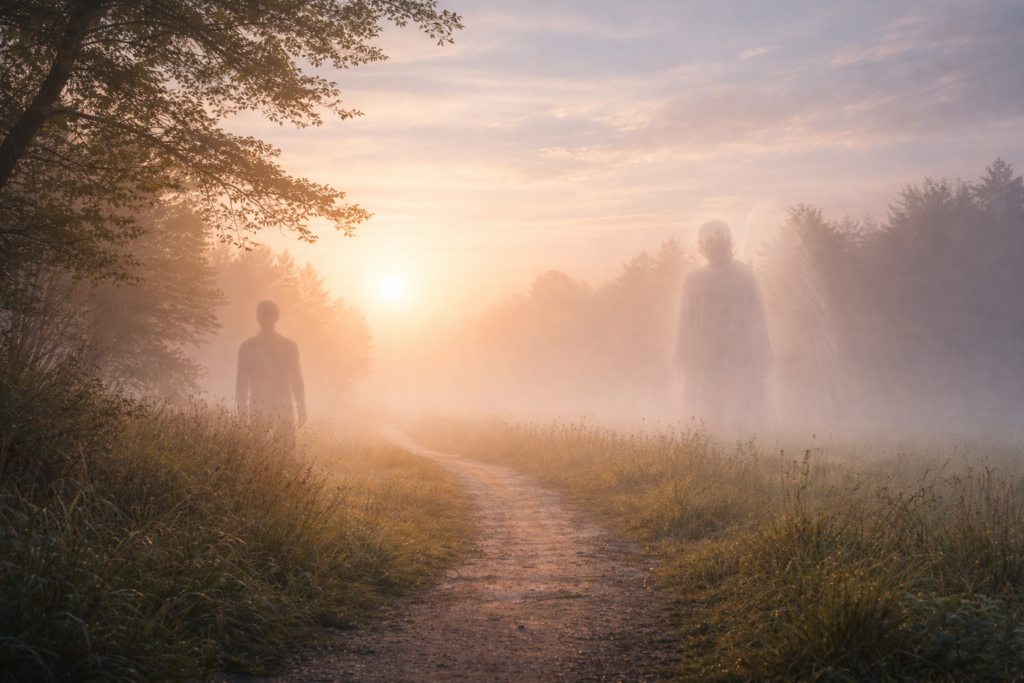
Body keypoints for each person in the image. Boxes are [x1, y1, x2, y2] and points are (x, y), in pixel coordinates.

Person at [675, 219, 772, 433]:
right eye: (708, 243)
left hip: (735, 354)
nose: (711, 248)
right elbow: (685, 321)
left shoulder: (743, 275)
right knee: (709, 404)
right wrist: (680, 354)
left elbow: (757, 317)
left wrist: (763, 352)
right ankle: (712, 436)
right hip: (708, 355)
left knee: (735, 403)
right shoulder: (694, 279)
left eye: (714, 242)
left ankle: (736, 437)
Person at [236, 300, 306, 448]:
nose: (266, 319)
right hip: (281, 406)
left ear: (257, 318)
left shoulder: (248, 346)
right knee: (284, 457)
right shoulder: (289, 345)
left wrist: (242, 409)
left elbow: (242, 381)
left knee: (258, 455)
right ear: (278, 317)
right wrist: (301, 406)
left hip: (259, 406)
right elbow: (296, 379)